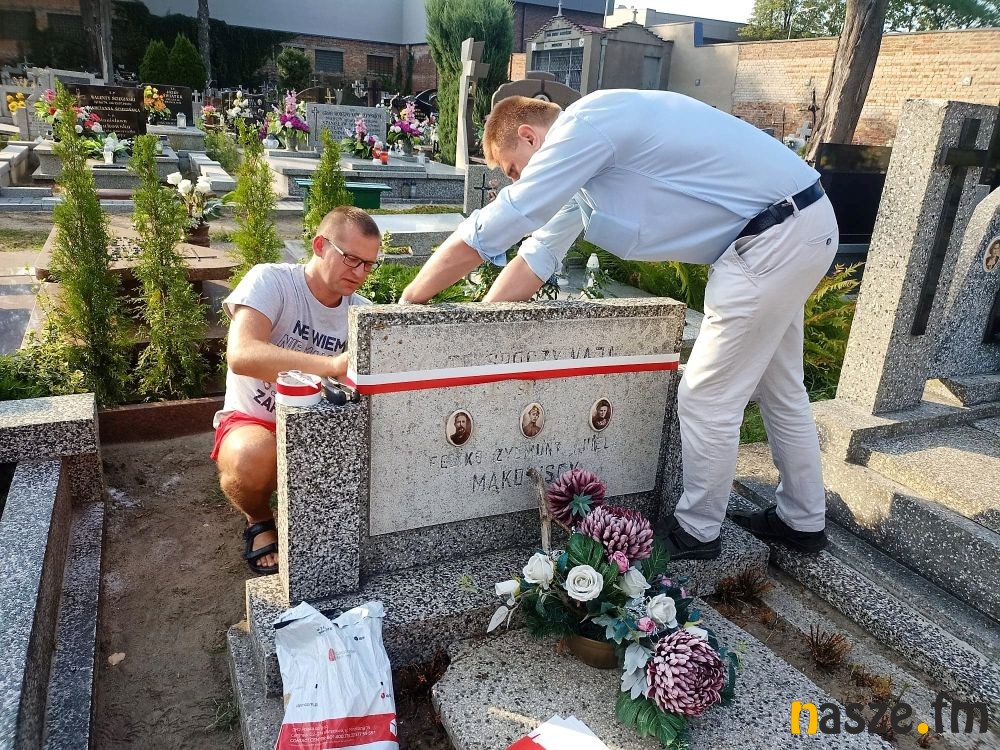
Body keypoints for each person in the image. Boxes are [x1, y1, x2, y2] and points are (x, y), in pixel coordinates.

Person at [401, 91, 838, 561]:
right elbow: (535, 259)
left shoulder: (583, 127)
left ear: (529, 137)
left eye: (512, 169)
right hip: (801, 223)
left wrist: (408, 303)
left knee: (706, 397)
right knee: (780, 387)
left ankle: (697, 532)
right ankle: (802, 520)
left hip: (772, 237)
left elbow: (504, 220)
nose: (518, 179)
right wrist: (476, 327)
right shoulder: (590, 160)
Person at [213, 206, 380, 575]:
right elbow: (242, 355)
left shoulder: (362, 311)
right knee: (250, 458)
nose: (359, 273)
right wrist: (332, 365)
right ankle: (259, 519)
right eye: (351, 259)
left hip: (320, 423)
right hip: (256, 419)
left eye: (369, 265)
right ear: (320, 245)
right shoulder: (271, 281)